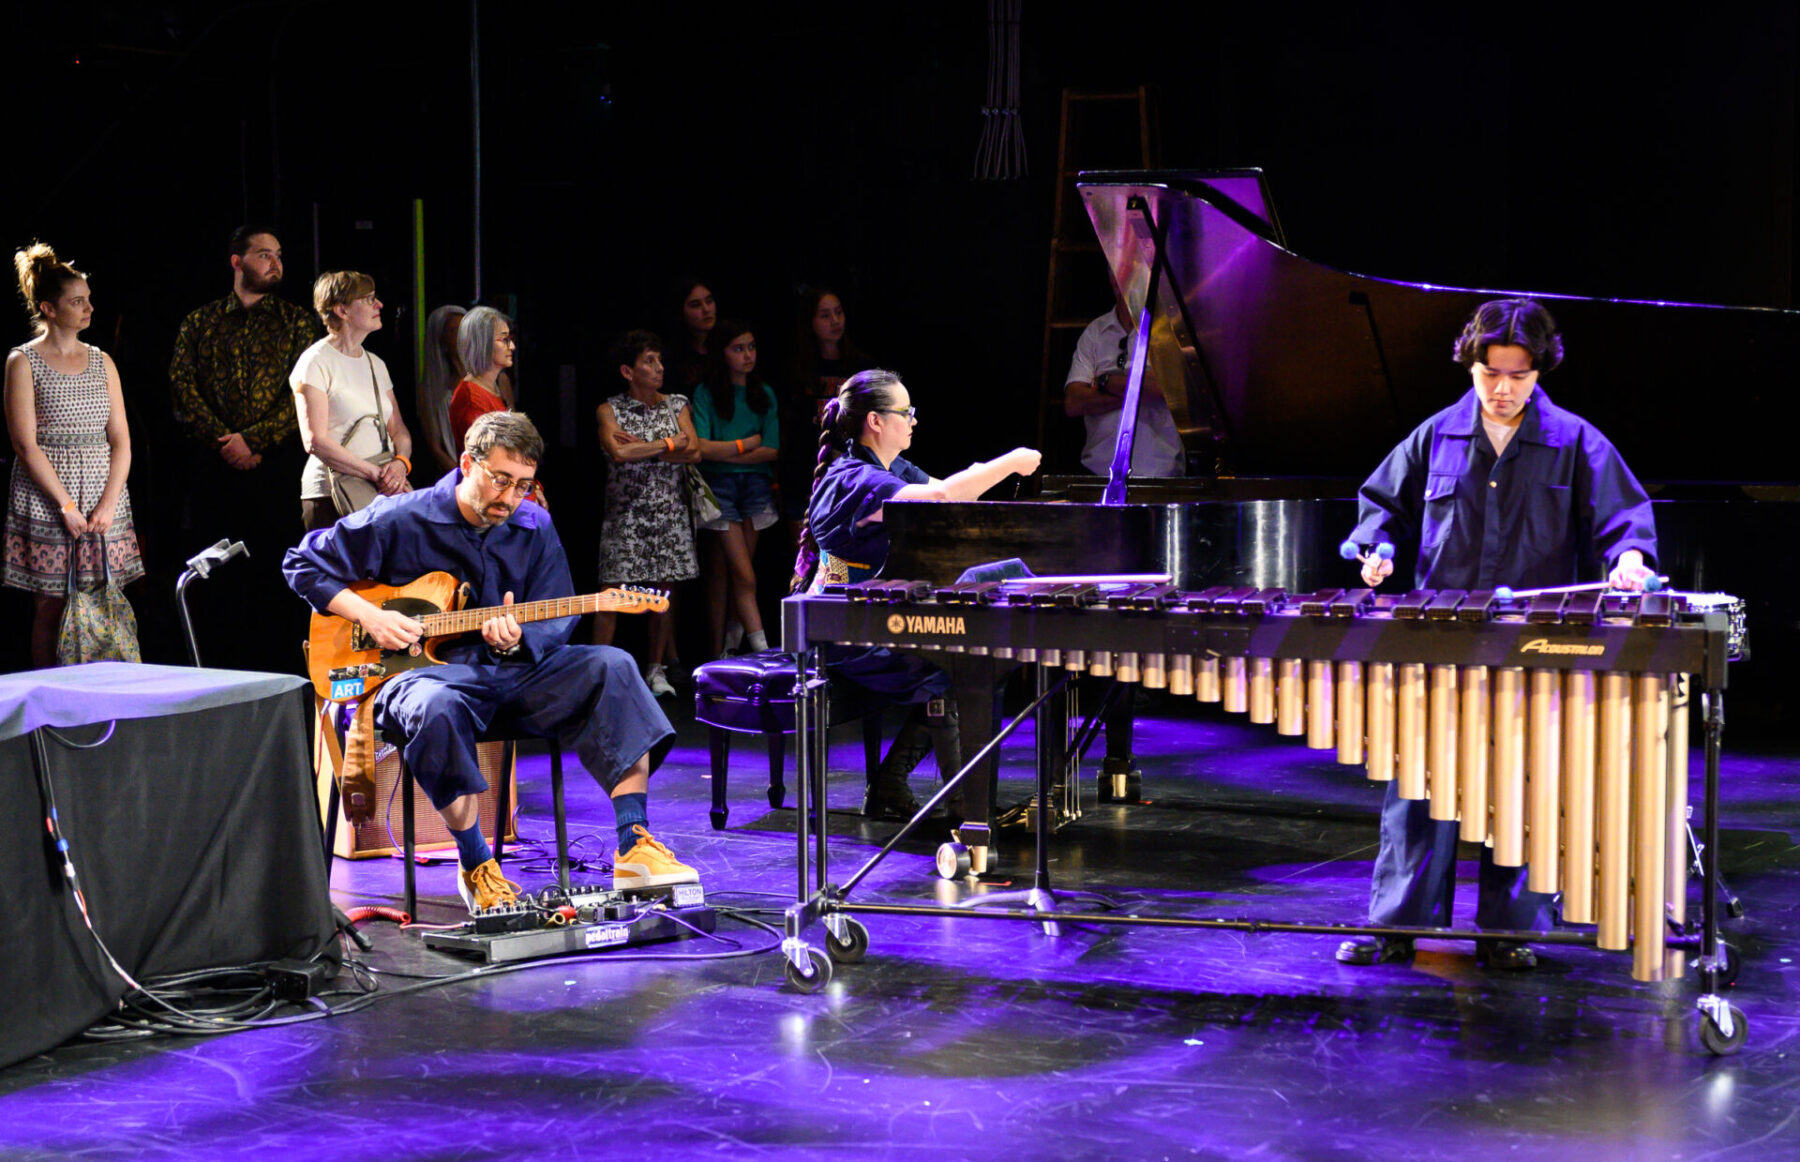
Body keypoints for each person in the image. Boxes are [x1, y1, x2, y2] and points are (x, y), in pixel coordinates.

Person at [1336, 298, 1658, 970]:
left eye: (1518, 374)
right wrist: (1376, 549)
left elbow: (1625, 521)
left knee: (1526, 785)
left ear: (1539, 372)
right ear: (1472, 366)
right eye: (1491, 373)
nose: (1503, 388)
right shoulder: (1436, 435)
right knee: (1419, 783)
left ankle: (1510, 931)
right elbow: (1380, 507)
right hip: (1441, 641)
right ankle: (1395, 925)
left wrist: (1629, 558)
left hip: (1531, 647)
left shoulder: (1574, 441)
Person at [283, 410, 697, 912]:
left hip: (508, 673)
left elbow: (555, 613)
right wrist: (370, 616)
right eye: (500, 480)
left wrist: (514, 639)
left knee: (611, 666)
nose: (510, 497)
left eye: (523, 484)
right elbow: (302, 562)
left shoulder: (533, 524)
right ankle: (476, 863)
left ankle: (635, 847)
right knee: (436, 705)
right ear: (467, 464)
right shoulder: (404, 516)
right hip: (417, 678)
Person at [794, 369, 1040, 817]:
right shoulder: (852, 478)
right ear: (875, 421)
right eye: (905, 413)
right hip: (842, 631)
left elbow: (950, 497)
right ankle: (969, 812)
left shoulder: (891, 468)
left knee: (982, 637)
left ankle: (892, 784)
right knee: (950, 671)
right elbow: (943, 496)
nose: (912, 421)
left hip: (875, 617)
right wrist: (1010, 461)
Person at [169, 225, 322, 671]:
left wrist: (253, 440)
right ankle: (217, 670)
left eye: (278, 254)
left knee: (275, 573)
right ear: (236, 261)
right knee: (217, 575)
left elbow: (305, 395)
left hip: (276, 466)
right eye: (263, 254)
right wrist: (226, 441)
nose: (275, 262)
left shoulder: (297, 322)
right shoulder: (200, 322)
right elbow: (182, 389)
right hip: (215, 468)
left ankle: (281, 671)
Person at [5, 244, 145, 668]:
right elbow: (25, 444)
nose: (89, 308)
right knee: (51, 606)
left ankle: (103, 701)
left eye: (88, 299)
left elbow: (121, 439)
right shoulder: (23, 361)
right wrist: (65, 505)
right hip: (49, 495)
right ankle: (50, 704)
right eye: (77, 301)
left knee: (105, 599)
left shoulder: (102, 361)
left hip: (104, 492)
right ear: (48, 308)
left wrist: (107, 502)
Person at [595, 330, 699, 696]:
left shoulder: (677, 404)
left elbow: (694, 451)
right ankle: (599, 670)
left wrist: (643, 446)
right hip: (626, 515)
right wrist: (668, 444)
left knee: (663, 593)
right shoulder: (609, 409)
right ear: (628, 371)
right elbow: (619, 454)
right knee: (611, 592)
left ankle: (655, 671)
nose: (659, 368)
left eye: (659, 360)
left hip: (668, 513)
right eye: (649, 362)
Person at [292, 271, 414, 533]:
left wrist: (401, 464)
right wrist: (376, 474)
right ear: (342, 310)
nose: (379, 305)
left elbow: (399, 430)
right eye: (369, 299)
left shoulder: (376, 364)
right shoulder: (315, 361)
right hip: (332, 495)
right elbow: (315, 441)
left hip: (379, 489)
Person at [690, 319, 779, 658]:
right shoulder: (706, 392)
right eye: (738, 348)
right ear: (722, 353)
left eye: (751, 347)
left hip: (756, 488)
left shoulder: (764, 393)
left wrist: (726, 451)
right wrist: (745, 446)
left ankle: (729, 648)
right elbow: (702, 449)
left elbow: (771, 449)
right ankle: (757, 648)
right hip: (719, 489)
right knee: (739, 571)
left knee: (734, 573)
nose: (747, 355)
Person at [779, 286, 876, 536]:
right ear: (810, 322)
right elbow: (791, 427)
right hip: (805, 476)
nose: (835, 321)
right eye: (825, 315)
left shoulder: (860, 366)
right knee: (804, 561)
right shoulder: (797, 369)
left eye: (839, 313)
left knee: (840, 560)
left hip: (849, 476)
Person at [1063, 303, 1185, 477]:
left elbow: (1167, 390)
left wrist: (1107, 382)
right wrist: (1141, 390)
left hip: (1160, 475)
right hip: (1099, 476)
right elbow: (1074, 403)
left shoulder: (1169, 329)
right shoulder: (1095, 332)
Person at [415, 304, 468, 473]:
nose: (463, 336)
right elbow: (435, 447)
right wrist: (462, 478)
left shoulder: (498, 379)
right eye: (454, 331)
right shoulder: (430, 391)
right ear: (442, 341)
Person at [662, 277, 717, 393]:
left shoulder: (725, 347)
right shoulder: (669, 358)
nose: (706, 309)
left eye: (709, 301)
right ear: (681, 312)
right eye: (696, 305)